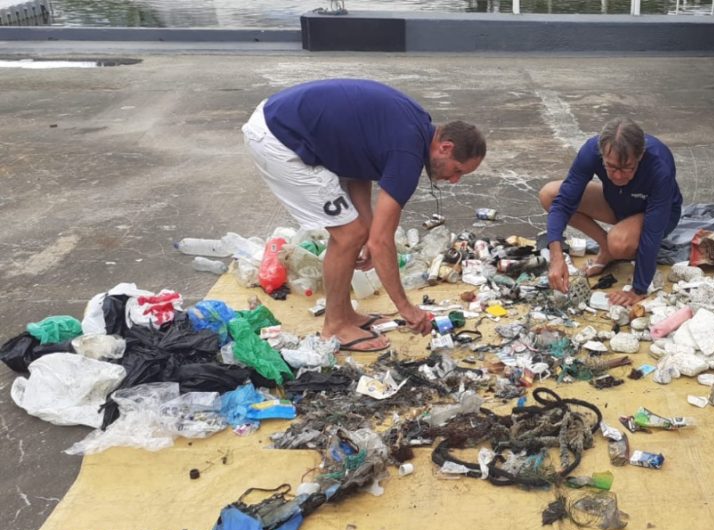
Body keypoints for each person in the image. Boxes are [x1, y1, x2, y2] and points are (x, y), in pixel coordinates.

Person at [242, 79, 485, 351]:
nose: (454, 181)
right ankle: (334, 327)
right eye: (458, 170)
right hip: (278, 138)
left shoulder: (418, 125)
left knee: (357, 231)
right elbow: (382, 242)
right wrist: (405, 307)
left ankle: (344, 315)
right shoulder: (407, 153)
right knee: (348, 235)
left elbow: (359, 167)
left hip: (281, 118)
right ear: (446, 147)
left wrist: (369, 232)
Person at [540, 118, 683, 307]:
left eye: (627, 168)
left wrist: (638, 289)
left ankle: (614, 245)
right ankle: (605, 248)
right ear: (601, 155)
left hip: (655, 212)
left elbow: (653, 230)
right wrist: (556, 257)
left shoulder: (659, 163)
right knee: (549, 195)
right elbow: (563, 202)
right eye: (611, 167)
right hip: (617, 200)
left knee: (619, 242)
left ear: (640, 156)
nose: (618, 176)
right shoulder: (591, 150)